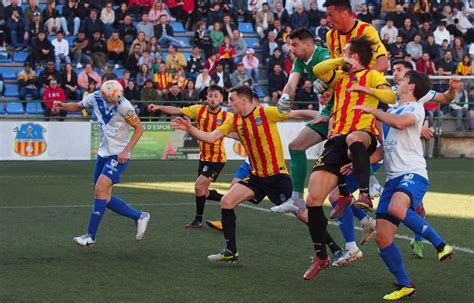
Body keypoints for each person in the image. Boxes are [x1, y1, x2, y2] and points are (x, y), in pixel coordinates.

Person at [171, 85, 329, 262]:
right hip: (256, 177)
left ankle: (334, 248)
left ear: (244, 100)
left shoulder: (265, 113)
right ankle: (231, 251)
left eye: (232, 99)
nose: (229, 103)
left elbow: (297, 114)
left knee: (304, 216)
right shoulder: (234, 120)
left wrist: (324, 117)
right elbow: (211, 137)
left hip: (277, 177)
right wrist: (191, 129)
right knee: (227, 201)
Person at [355, 70, 455, 300]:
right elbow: (384, 149)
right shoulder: (392, 111)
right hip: (392, 180)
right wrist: (358, 164)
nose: (397, 82)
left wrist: (374, 111)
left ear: (411, 87)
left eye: (402, 80)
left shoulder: (414, 108)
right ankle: (405, 284)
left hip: (413, 174)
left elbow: (400, 124)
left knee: (396, 209)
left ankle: (441, 246)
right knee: (382, 237)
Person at [302, 35, 396, 280]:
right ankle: (321, 256)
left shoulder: (373, 75)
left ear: (355, 56)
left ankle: (364, 194)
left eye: (345, 52)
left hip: (364, 134)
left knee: (354, 138)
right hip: (336, 140)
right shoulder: (341, 75)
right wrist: (339, 61)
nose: (341, 54)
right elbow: (317, 69)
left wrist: (367, 89)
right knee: (312, 199)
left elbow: (391, 98)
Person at [52, 80, 150, 247]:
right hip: (103, 153)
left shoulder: (125, 106)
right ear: (105, 95)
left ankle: (90, 236)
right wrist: (62, 106)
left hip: (118, 155)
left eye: (118, 97)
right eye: (112, 99)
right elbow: (78, 106)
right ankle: (139, 216)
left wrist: (126, 151)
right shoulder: (95, 97)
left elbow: (139, 128)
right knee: (104, 196)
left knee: (99, 190)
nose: (116, 100)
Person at [148, 85, 230, 228]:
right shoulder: (199, 110)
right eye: (210, 96)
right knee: (202, 192)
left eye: (216, 96)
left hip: (217, 159)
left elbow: (238, 131)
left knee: (198, 186)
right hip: (204, 157)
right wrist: (159, 107)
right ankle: (228, 199)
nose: (212, 99)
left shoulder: (227, 117)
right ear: (207, 97)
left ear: (222, 98)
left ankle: (198, 220)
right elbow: (178, 110)